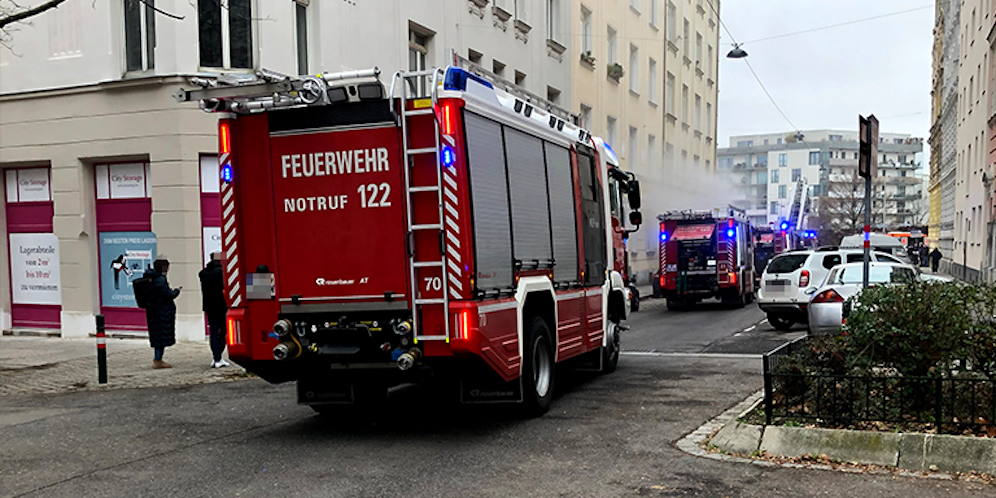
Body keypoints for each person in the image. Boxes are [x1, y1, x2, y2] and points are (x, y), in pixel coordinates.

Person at [145, 258, 181, 369]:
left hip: (153, 311)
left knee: (157, 336)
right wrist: (176, 291)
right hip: (162, 312)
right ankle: (158, 360)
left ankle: (158, 359)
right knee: (161, 337)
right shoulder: (160, 280)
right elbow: (168, 295)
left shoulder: (150, 278)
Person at [199, 252, 229, 368]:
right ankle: (218, 357)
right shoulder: (221, 273)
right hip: (221, 306)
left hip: (209, 306)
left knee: (213, 331)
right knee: (223, 332)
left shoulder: (203, 273)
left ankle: (216, 357)